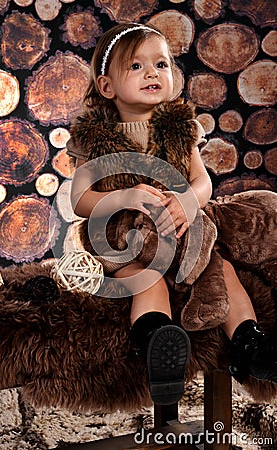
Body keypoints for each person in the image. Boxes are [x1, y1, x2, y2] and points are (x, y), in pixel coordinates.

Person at [67, 23, 277, 405]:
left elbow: (203, 183)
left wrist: (185, 200)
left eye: (161, 64)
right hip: (125, 239)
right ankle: (158, 344)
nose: (152, 73)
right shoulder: (95, 136)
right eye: (136, 66)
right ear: (106, 86)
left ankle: (250, 343)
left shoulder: (180, 129)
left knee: (223, 270)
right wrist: (124, 196)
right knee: (145, 281)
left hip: (181, 232)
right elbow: (79, 200)